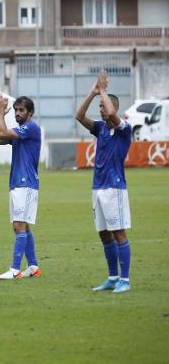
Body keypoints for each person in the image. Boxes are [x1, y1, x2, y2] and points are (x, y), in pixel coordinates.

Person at [75, 71, 132, 294]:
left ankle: (125, 280)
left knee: (119, 233)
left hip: (115, 188)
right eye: (99, 106)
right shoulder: (100, 128)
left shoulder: (124, 129)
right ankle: (112, 277)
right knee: (104, 233)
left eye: (103, 106)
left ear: (115, 108)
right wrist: (93, 92)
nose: (101, 110)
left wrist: (104, 90)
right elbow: (79, 116)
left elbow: (110, 111)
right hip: (98, 187)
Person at [0, 94, 42, 280]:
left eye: (21, 110)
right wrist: (0, 115)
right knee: (22, 226)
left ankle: (14, 269)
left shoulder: (31, 128)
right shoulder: (20, 131)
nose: (18, 113)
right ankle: (33, 266)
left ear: (30, 112)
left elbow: (3, 133)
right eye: (16, 110)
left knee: (19, 225)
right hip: (17, 184)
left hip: (26, 184)